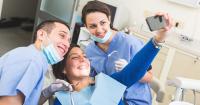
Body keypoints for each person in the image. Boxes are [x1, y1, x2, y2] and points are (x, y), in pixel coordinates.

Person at [39, 12, 172, 104]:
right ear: (64, 70)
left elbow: (135, 69)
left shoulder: (105, 84)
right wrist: (46, 93)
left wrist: (159, 38)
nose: (83, 59)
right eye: (75, 57)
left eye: (84, 56)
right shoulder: (62, 99)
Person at [82, 1, 153, 104]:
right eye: (92, 26)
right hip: (109, 99)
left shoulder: (130, 43)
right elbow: (92, 79)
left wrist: (131, 70)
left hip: (135, 101)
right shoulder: (90, 50)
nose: (99, 30)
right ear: (86, 26)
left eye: (103, 23)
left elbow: (150, 77)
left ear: (109, 19)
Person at [0, 20, 71, 105]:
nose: (67, 44)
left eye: (69, 41)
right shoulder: (32, 59)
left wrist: (48, 92)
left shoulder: (38, 60)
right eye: (62, 36)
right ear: (41, 35)